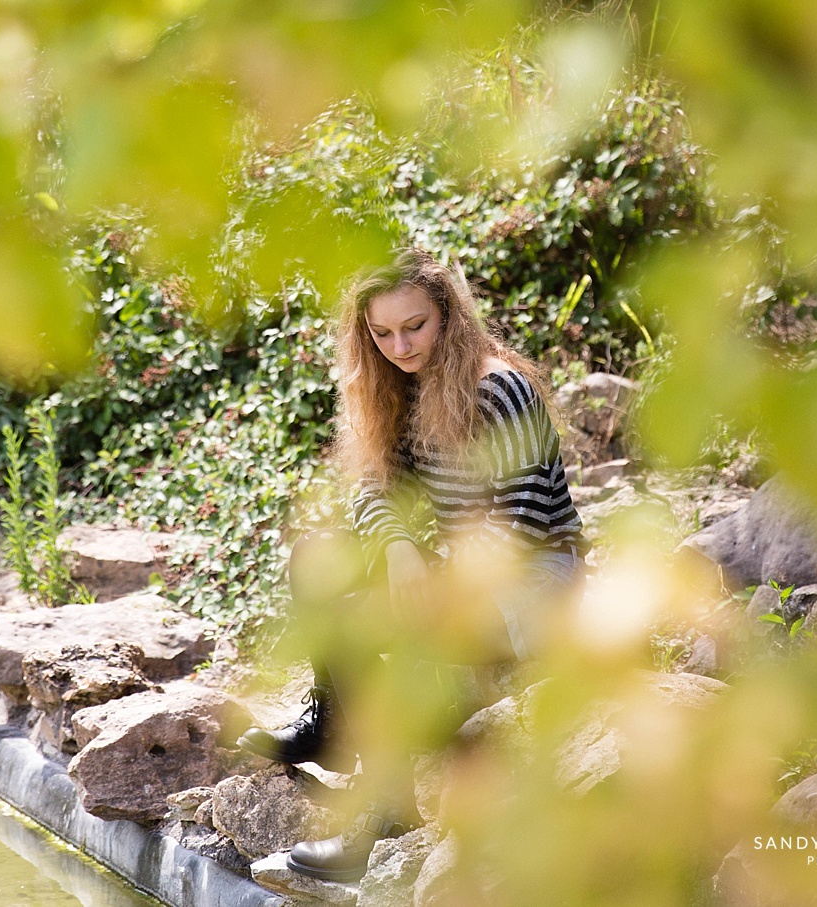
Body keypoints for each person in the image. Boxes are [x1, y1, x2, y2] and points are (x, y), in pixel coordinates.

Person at [236, 249, 590, 881]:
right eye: (382, 332)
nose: (400, 345)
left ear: (448, 316)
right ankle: (332, 717)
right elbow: (371, 490)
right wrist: (401, 550)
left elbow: (519, 525)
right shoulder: (401, 388)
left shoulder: (498, 389)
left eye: (415, 326)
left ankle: (382, 821)